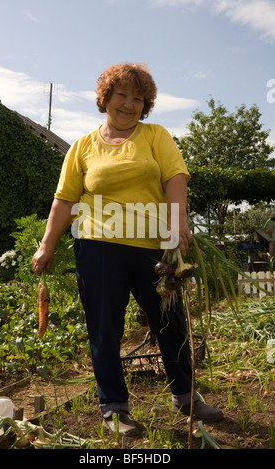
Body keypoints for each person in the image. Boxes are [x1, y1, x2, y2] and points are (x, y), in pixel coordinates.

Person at [32, 63, 223, 436]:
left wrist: (177, 222)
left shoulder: (155, 136)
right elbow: (65, 200)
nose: (130, 104)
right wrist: (46, 245)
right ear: (106, 98)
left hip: (153, 247)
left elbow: (175, 177)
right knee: (105, 329)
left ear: (146, 104)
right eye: (122, 95)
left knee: (171, 323)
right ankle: (115, 409)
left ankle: (185, 395)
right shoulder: (83, 146)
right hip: (98, 245)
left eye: (139, 98)